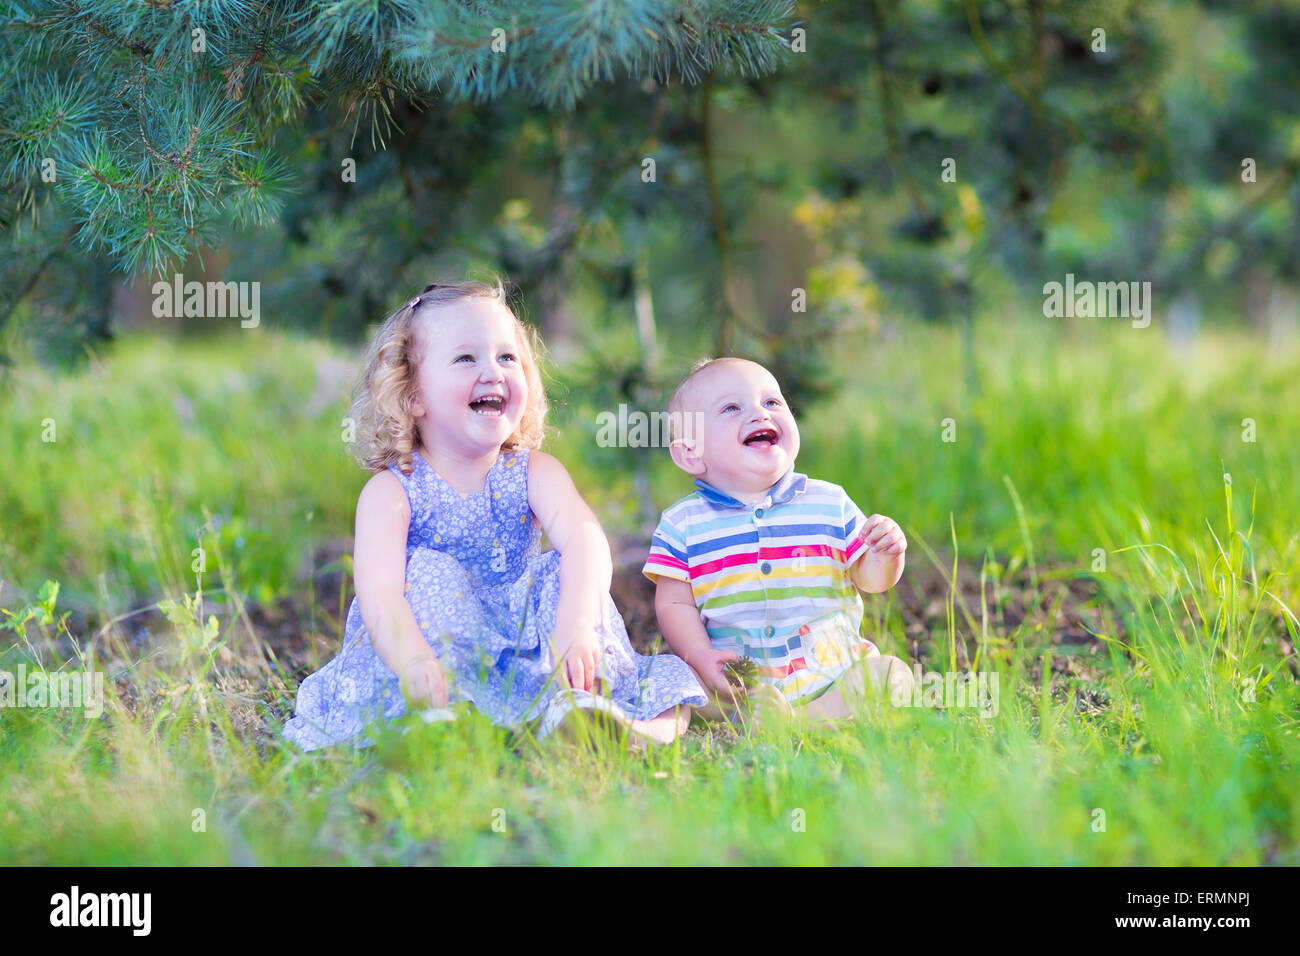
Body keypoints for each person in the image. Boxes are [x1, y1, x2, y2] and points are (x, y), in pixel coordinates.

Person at [282, 280, 705, 751]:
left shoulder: (533, 472)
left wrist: (577, 621)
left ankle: (620, 728)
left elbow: (585, 538)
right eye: (466, 359)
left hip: (537, 650)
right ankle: (442, 724)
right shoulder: (392, 491)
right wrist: (415, 661)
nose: (494, 372)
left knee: (564, 576)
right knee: (425, 574)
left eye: (508, 358)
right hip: (437, 663)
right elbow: (379, 593)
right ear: (411, 396)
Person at [643, 356, 914, 726]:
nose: (759, 414)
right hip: (736, 687)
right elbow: (674, 603)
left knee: (891, 675)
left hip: (831, 677)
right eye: (731, 408)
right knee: (665, 681)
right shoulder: (682, 524)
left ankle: (800, 720)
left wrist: (887, 555)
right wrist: (700, 656)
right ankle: (749, 718)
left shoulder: (828, 502)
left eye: (772, 402)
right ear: (690, 453)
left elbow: (871, 580)